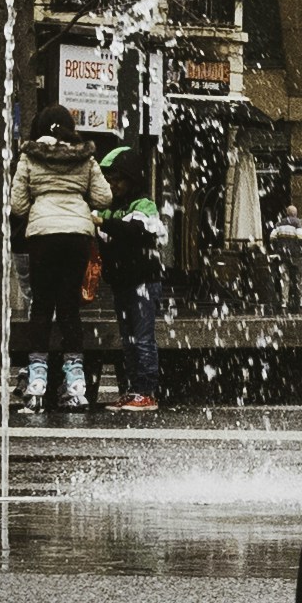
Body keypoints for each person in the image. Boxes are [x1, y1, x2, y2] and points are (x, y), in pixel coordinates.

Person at [8, 115, 110, 414]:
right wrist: (79, 198)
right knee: (69, 307)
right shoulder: (85, 156)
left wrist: (42, 203)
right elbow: (104, 197)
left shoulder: (29, 156)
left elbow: (17, 205)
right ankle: (75, 379)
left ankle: (37, 377)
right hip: (78, 234)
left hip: (42, 235)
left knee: (41, 305)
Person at [98, 144, 168, 412]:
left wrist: (102, 224)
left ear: (131, 179)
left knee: (143, 338)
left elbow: (136, 231)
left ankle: (147, 391)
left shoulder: (144, 205)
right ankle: (132, 389)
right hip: (122, 282)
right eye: (109, 180)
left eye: (117, 180)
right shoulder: (109, 208)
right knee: (127, 340)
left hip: (143, 282)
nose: (113, 185)